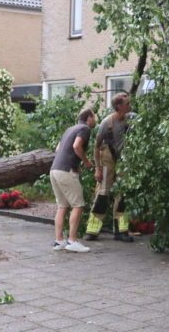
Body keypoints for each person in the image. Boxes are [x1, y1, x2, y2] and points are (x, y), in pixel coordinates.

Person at [84, 92, 134, 242]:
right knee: (103, 194)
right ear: (119, 106)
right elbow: (96, 147)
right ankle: (92, 231)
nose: (130, 106)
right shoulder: (106, 123)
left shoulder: (131, 118)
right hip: (107, 160)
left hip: (123, 161)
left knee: (122, 195)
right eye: (127, 104)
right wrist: (98, 169)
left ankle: (120, 231)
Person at [50, 107, 96, 253]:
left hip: (54, 169)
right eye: (94, 117)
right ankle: (72, 240)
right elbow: (76, 146)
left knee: (62, 206)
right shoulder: (84, 128)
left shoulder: (69, 129)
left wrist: (73, 162)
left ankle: (59, 241)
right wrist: (86, 161)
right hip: (66, 171)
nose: (95, 120)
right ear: (89, 117)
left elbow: (58, 150)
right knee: (78, 205)